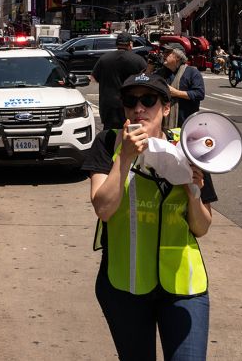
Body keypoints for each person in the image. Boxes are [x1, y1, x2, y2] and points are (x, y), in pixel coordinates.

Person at [82, 72, 216, 360]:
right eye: (131, 101)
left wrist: (193, 189)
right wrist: (126, 157)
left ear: (166, 108)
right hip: (124, 285)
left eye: (148, 100)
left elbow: (202, 227)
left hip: (184, 286)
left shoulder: (189, 147)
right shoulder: (108, 143)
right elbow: (103, 208)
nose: (139, 108)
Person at [90, 32, 147, 130]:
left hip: (108, 106)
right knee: (131, 134)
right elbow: (146, 81)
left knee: (110, 136)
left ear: (117, 44)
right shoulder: (138, 60)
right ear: (130, 44)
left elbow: (94, 78)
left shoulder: (104, 59)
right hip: (130, 105)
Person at [161, 44, 205, 126]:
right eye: (163, 52)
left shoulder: (192, 72)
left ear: (177, 57)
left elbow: (199, 94)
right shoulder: (161, 72)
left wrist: (176, 93)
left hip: (186, 124)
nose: (164, 54)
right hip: (163, 124)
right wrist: (149, 68)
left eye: (168, 52)